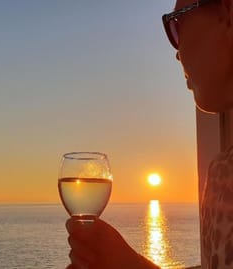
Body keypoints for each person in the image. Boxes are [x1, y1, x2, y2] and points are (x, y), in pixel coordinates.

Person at [66, 0, 233, 268]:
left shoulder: (225, 176)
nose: (177, 53)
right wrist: (128, 263)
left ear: (227, 14)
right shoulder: (221, 169)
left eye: (177, 25)